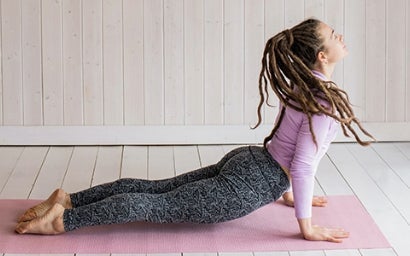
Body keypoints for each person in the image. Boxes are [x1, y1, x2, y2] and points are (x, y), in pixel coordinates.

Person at [15, 18, 374, 242]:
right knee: (155, 205)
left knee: (154, 191)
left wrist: (290, 195)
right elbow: (303, 165)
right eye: (332, 34)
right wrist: (306, 228)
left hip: (249, 161)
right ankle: (64, 220)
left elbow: (288, 143)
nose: (339, 36)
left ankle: (68, 199)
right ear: (322, 57)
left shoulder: (301, 85)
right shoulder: (322, 98)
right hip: (253, 181)